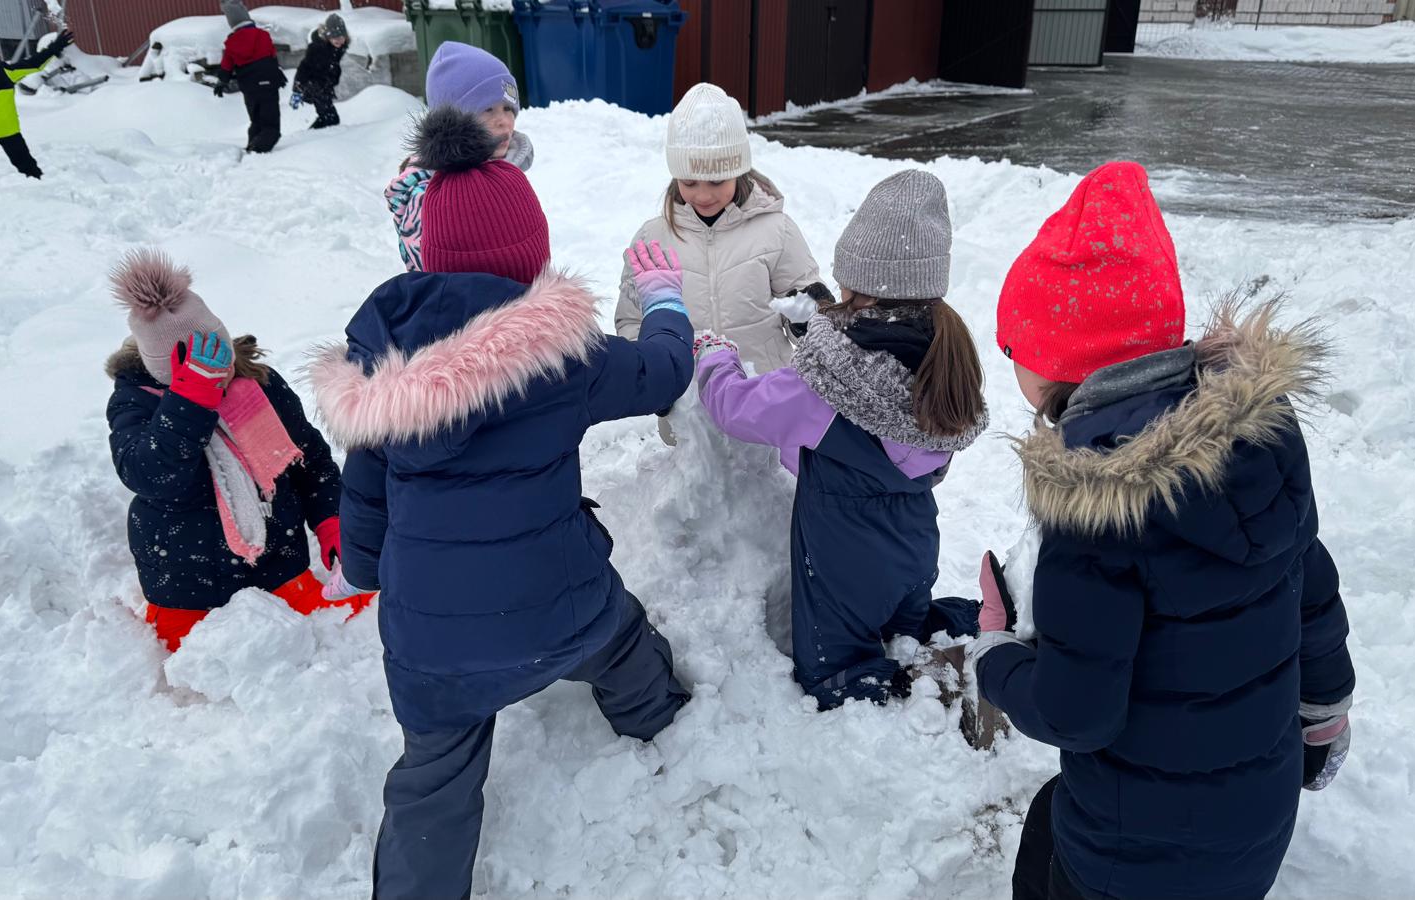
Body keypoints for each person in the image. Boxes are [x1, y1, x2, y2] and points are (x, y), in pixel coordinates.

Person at [311, 105, 694, 899]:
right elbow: (661, 373)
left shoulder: (384, 377)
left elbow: (368, 500)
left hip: (431, 644)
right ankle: (660, 718)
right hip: (560, 611)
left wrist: (372, 567)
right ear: (531, 259)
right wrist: (664, 305)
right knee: (623, 646)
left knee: (434, 778)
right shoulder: (565, 359)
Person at [967, 161, 1356, 900]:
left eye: (1015, 350)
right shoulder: (1259, 452)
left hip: (1130, 859)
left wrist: (995, 656)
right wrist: (1324, 712)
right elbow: (1314, 598)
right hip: (1255, 823)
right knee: (1050, 815)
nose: (1011, 364)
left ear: (1056, 363)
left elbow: (1078, 714)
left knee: (1053, 848)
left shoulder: (1097, 514)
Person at [694, 170, 989, 709]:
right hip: (914, 544)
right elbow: (875, 369)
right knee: (909, 632)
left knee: (836, 675)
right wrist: (821, 326)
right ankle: (932, 663)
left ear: (856, 281)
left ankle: (914, 707)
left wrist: (716, 358)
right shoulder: (944, 355)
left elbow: (735, 410)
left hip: (842, 560)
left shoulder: (821, 388)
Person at [105, 248, 373, 652]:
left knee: (363, 609)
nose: (222, 365)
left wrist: (333, 521)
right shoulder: (135, 403)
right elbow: (151, 474)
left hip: (278, 568)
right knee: (199, 677)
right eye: (201, 358)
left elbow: (310, 461)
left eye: (219, 346)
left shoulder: (258, 383)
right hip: (184, 589)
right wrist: (191, 401)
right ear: (165, 368)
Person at [617, 82, 824, 378]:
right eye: (689, 183)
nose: (703, 195)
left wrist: (809, 317)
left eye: (716, 182)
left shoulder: (776, 231)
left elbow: (808, 315)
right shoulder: (653, 240)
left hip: (762, 394)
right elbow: (632, 321)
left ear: (738, 171)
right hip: (685, 402)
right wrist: (653, 374)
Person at [385, 41, 533, 270]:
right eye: (488, 109)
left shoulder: (506, 168)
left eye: (507, 108)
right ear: (455, 120)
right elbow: (434, 268)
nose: (504, 120)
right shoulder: (427, 192)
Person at [0, 30, 73, 194]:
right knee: (25, 162)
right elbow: (35, 63)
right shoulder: (4, 72)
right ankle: (41, 188)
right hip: (7, 128)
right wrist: (55, 47)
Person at [214, 0, 286, 154]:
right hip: (268, 83)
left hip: (250, 88)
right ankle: (258, 150)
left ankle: (252, 146)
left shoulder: (231, 42)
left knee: (256, 120)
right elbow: (271, 57)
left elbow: (226, 65)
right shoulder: (263, 35)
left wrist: (221, 82)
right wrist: (278, 74)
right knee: (271, 125)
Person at [292, 13, 347, 129]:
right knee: (331, 118)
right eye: (335, 38)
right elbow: (303, 68)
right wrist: (297, 90)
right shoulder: (317, 48)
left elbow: (332, 65)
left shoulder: (338, 48)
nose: (339, 41)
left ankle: (312, 134)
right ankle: (316, 139)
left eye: (341, 37)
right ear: (328, 37)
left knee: (327, 117)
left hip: (325, 85)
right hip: (313, 85)